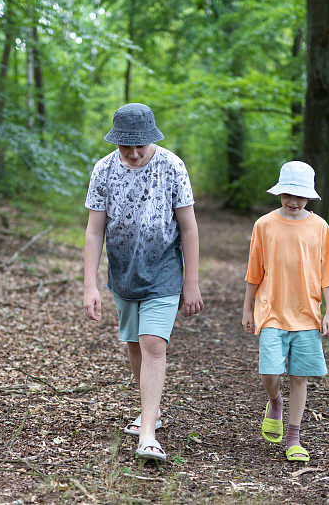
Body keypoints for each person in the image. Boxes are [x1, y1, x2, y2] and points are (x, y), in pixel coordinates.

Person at [83, 103, 204, 462]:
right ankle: (151, 409)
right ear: (116, 142)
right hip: (123, 272)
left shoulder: (172, 166)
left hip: (165, 269)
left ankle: (148, 433)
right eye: (126, 147)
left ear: (152, 138)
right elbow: (94, 230)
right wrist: (89, 285)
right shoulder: (103, 170)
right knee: (134, 342)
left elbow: (189, 227)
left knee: (153, 342)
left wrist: (191, 282)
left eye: (141, 146)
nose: (134, 154)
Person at [241, 160, 329, 462]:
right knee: (270, 370)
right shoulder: (265, 225)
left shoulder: (319, 227)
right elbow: (254, 271)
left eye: (300, 196)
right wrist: (247, 308)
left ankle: (294, 437)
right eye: (288, 194)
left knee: (300, 376)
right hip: (272, 310)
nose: (294, 201)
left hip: (307, 313)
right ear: (280, 193)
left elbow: (327, 274)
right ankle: (275, 401)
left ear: (309, 196)